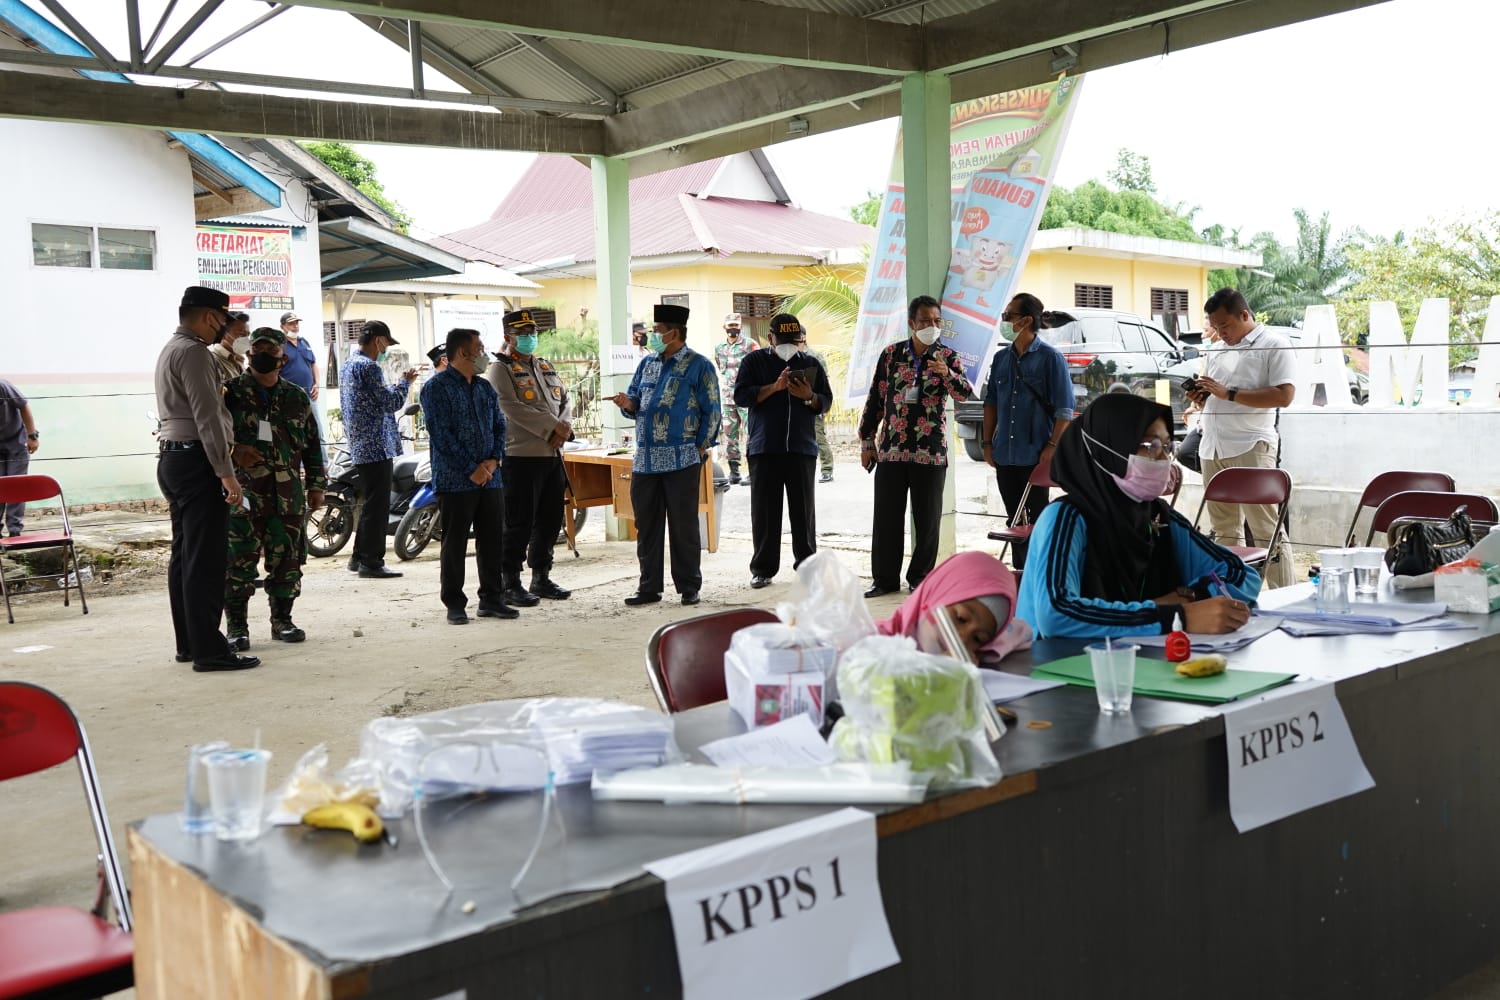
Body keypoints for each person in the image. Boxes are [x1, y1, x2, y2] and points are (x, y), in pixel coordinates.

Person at [1015, 393, 1261, 639]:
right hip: (1054, 667)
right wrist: (1176, 616)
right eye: (1150, 447)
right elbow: (1056, 615)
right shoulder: (1065, 518)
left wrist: (1192, 597)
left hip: (1134, 661)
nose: (1165, 459)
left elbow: (1243, 577)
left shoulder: (1158, 517)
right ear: (1109, 450)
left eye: (1167, 447)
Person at [154, 286, 259, 672]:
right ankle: (209, 651)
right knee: (205, 560)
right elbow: (208, 418)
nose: (223, 329)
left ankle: (190, 642)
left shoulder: (172, 348)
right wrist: (226, 474)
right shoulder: (195, 353)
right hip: (197, 462)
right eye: (222, 320)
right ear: (210, 317)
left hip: (175, 459)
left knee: (185, 556)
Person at [858, 295, 973, 598]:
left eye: (937, 321)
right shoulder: (891, 355)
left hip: (930, 452)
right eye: (925, 321)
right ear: (911, 323)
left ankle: (920, 579)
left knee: (928, 521)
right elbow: (875, 401)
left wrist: (946, 373)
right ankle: (884, 580)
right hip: (892, 450)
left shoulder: (948, 355)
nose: (932, 326)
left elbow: (964, 393)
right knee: (887, 518)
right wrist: (867, 440)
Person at [609, 303, 720, 607]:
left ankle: (688, 587)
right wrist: (626, 403)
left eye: (658, 331)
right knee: (647, 524)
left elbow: (713, 409)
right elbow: (634, 399)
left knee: (683, 525)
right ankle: (649, 587)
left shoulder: (700, 365)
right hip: (645, 459)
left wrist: (701, 445)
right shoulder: (647, 364)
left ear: (674, 332)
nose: (653, 335)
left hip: (682, 458)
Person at [222, 328, 326, 649]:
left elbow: (312, 445)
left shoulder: (296, 396)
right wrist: (234, 450)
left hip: (287, 495)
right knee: (238, 562)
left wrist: (317, 485)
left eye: (271, 350)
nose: (264, 355)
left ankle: (282, 621)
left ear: (283, 357)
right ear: (249, 355)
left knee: (287, 561)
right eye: (258, 349)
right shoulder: (230, 393)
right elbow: (212, 436)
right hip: (244, 494)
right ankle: (237, 627)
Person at [1191, 288, 1297, 588]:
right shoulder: (1216, 350)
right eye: (1215, 326)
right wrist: (1201, 397)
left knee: (1265, 526)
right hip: (1212, 445)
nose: (1221, 333)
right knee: (1223, 528)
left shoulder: (1274, 344)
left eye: (1225, 326)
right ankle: (1235, 594)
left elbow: (1284, 396)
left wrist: (1230, 394)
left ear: (1245, 315)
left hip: (1251, 444)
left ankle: (1284, 594)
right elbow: (1214, 397)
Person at [420, 328, 517, 625]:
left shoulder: (484, 388)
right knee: (455, 543)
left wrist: (492, 461)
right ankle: (454, 603)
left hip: (491, 478)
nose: (484, 353)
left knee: (492, 540)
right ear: (463, 352)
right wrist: (470, 468)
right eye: (480, 348)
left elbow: (500, 426)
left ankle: (492, 599)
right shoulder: (435, 388)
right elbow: (440, 434)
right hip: (455, 479)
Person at [734, 313, 832, 589]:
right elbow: (741, 396)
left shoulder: (811, 363)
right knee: (765, 512)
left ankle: (807, 566)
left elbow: (826, 400)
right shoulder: (754, 362)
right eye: (782, 340)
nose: (789, 345)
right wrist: (774, 388)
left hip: (801, 448)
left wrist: (809, 397)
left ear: (800, 339)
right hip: (765, 448)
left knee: (803, 512)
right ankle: (763, 569)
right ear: (771, 338)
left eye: (794, 340)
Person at [981, 292, 1075, 570]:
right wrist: (987, 443)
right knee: (1014, 519)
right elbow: (991, 403)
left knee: (1038, 520)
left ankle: (1042, 574)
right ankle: (1020, 574)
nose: (1004, 321)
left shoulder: (1050, 359)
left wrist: (1052, 446)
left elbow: (1064, 410)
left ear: (1026, 321)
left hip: (1036, 455)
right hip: (1005, 455)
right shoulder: (1001, 358)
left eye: (1008, 316)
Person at [488, 308, 573, 605]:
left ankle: (541, 576)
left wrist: (564, 428)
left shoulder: (545, 366)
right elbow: (510, 407)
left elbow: (565, 400)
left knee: (550, 519)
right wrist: (553, 427)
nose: (529, 338)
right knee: (518, 521)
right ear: (508, 337)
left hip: (552, 455)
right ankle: (510, 581)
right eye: (522, 334)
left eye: (532, 333)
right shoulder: (500, 369)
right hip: (521, 456)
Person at [339, 320, 418, 578]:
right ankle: (371, 562)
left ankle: (359, 556)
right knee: (378, 506)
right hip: (376, 446)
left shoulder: (349, 365)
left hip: (361, 443)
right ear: (378, 341)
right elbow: (390, 402)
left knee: (371, 503)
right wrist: (405, 383)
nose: (385, 349)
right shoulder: (369, 367)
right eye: (386, 343)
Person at [877, 551, 1031, 663]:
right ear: (935, 595)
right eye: (961, 618)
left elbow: (1020, 630)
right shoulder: (869, 643)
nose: (963, 638)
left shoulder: (967, 658)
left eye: (978, 639)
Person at [714, 312, 751, 485]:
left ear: (741, 326)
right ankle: (734, 471)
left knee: (752, 432)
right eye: (730, 326)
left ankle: (753, 471)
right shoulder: (719, 347)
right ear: (724, 327)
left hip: (746, 396)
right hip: (728, 397)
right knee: (730, 435)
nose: (733, 329)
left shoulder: (750, 345)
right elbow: (720, 366)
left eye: (736, 325)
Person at [0, 377, 40, 536]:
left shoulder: (3, 386)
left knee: (16, 485)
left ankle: (15, 531)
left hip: (17, 441)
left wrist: (32, 436)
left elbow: (24, 406)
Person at [797, 335, 837, 483]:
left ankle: (827, 469)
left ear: (803, 337)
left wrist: (823, 404)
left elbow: (824, 382)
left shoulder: (814, 356)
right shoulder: (790, 357)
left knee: (819, 436)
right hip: (798, 406)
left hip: (814, 403)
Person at [278, 311, 319, 404]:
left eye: (296, 323)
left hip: (310, 395)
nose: (295, 325)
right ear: (282, 327)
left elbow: (313, 363)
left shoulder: (304, 342)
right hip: (289, 397)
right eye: (291, 323)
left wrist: (317, 384)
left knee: (315, 419)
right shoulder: (279, 346)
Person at [210, 312, 249, 384]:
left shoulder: (239, 359)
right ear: (224, 334)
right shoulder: (214, 360)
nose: (245, 339)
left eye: (247, 335)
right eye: (241, 334)